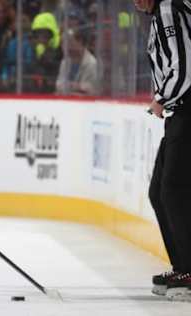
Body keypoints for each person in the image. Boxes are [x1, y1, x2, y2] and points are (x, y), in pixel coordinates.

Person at [135, 0, 191, 301]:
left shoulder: (170, 7)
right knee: (160, 191)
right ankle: (182, 266)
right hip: (179, 113)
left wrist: (161, 97)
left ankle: (189, 270)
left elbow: (185, 64)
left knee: (172, 190)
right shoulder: (163, 11)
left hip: (186, 110)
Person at [55, 28, 98, 96]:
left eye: (70, 42)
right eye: (63, 43)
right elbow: (59, 85)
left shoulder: (91, 63)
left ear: (80, 42)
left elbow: (91, 90)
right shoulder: (65, 62)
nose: (65, 46)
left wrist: (74, 87)